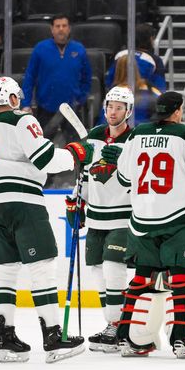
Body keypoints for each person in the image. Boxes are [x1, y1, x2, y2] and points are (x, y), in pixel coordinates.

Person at [0, 76, 90, 363]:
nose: (19, 100)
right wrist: (76, 154)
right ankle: (54, 337)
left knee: (5, 270)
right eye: (16, 96)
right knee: (41, 266)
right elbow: (46, 159)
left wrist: (0, 166)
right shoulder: (22, 121)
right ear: (10, 99)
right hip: (23, 201)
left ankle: (5, 340)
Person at [115, 91, 185, 358]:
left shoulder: (137, 134)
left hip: (142, 219)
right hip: (180, 218)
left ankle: (132, 337)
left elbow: (124, 178)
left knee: (143, 278)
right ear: (177, 111)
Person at [67, 86, 135, 353]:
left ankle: (118, 325)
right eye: (110, 106)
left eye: (119, 107)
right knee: (97, 270)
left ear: (128, 111)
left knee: (113, 266)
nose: (113, 112)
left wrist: (125, 161)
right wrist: (77, 201)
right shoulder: (94, 136)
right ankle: (113, 322)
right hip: (96, 216)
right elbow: (85, 174)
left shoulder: (135, 138)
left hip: (123, 216)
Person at [21, 14, 92, 142]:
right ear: (52, 29)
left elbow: (87, 78)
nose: (61, 29)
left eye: (64, 26)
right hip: (46, 108)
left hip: (72, 109)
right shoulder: (40, 49)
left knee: (77, 148)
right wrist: (25, 104)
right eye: (57, 26)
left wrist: (81, 98)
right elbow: (29, 77)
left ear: (69, 29)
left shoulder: (79, 49)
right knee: (41, 147)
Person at [105, 23, 166, 92]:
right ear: (151, 38)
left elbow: (109, 81)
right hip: (143, 99)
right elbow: (160, 88)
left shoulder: (119, 55)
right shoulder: (156, 60)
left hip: (117, 96)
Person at [108, 55, 161, 126]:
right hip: (149, 131)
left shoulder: (114, 93)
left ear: (117, 70)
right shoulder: (152, 89)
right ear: (136, 68)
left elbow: (106, 121)